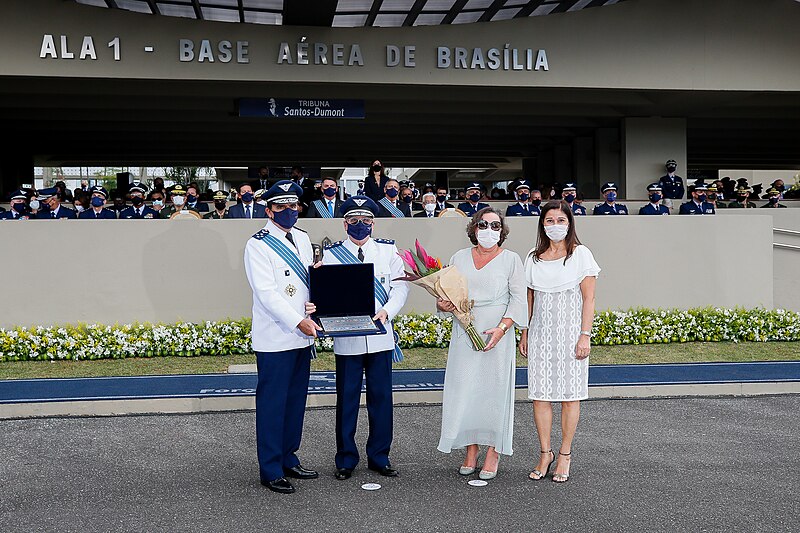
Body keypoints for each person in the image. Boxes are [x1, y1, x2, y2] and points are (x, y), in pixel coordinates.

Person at [321, 196, 409, 481]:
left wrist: (387, 311)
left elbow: (400, 287)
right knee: (346, 399)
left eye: (366, 221)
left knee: (381, 398)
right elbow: (327, 295)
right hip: (348, 339)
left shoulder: (388, 250)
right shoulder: (332, 254)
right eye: (354, 221)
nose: (361, 226)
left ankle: (379, 456)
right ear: (345, 224)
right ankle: (346, 459)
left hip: (381, 336)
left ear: (374, 223)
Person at [436, 207, 527, 481]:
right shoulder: (458, 257)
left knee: (493, 392)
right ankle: (470, 448)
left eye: (495, 226)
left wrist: (501, 329)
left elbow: (519, 299)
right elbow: (446, 295)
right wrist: (443, 304)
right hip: (465, 330)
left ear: (502, 230)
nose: (489, 230)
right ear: (474, 229)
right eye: (483, 225)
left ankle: (493, 451)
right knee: (465, 389)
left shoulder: (512, 260)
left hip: (497, 333)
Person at [243, 179, 321, 495]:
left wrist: (318, 304)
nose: (288, 211)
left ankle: (289, 456)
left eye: (293, 206)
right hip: (276, 337)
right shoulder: (258, 244)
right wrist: (298, 321)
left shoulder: (303, 238)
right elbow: (266, 294)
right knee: (273, 404)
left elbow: (309, 280)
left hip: (302, 336)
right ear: (269, 209)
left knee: (294, 402)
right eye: (281, 206)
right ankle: (271, 468)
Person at [520, 200, 600, 483]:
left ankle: (565, 454)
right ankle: (545, 452)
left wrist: (584, 335)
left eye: (561, 220)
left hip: (571, 335)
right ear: (542, 224)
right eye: (550, 220)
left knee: (569, 396)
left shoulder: (581, 255)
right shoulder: (533, 257)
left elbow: (589, 298)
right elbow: (528, 298)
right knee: (540, 396)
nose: (556, 225)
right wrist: (525, 332)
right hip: (541, 333)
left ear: (570, 223)